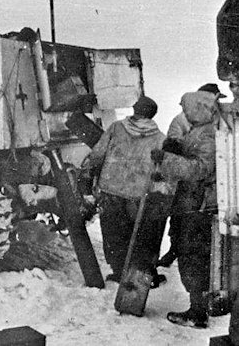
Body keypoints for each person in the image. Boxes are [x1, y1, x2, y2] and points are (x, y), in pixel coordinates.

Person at [151, 90, 219, 328]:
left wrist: (167, 160)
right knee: (192, 254)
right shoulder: (203, 130)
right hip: (194, 202)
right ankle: (199, 307)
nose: (185, 113)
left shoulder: (207, 134)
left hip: (197, 205)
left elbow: (201, 168)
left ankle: (197, 313)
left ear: (199, 108)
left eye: (187, 109)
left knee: (193, 256)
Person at [81, 95, 165, 284]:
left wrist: (87, 174)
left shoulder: (116, 128)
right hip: (138, 193)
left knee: (113, 233)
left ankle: (119, 271)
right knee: (138, 234)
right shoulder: (160, 138)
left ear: (135, 110)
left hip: (111, 189)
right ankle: (140, 273)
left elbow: (98, 154)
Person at [158, 83, 226, 268]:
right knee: (179, 225)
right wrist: (171, 154)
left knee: (194, 243)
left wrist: (168, 160)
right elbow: (174, 144)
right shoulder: (182, 121)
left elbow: (201, 166)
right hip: (188, 188)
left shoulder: (214, 126)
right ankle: (175, 250)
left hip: (199, 193)